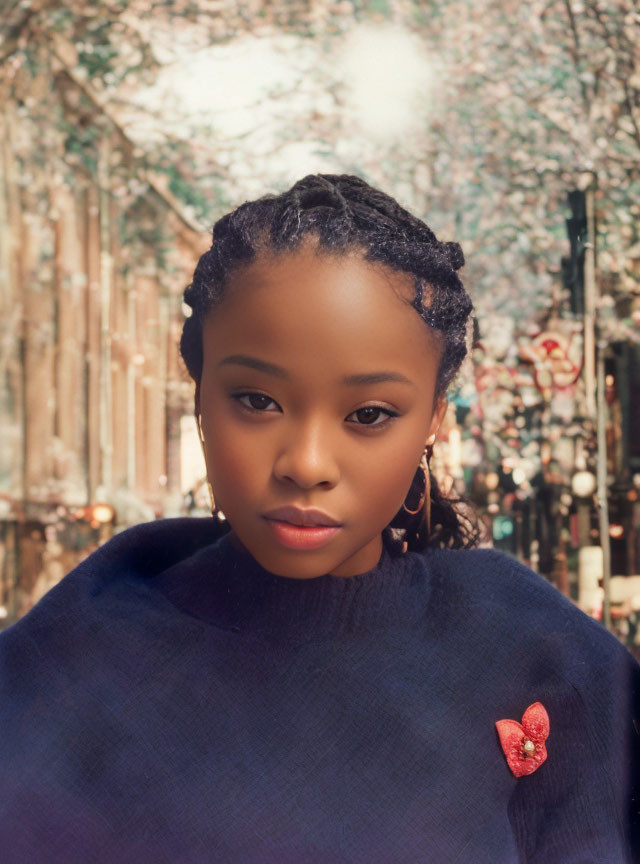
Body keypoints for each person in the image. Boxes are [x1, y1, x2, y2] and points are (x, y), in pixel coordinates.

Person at [0, 174, 638, 863]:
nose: (305, 464)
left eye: (368, 415)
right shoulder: (74, 656)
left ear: (431, 422)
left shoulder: (543, 657)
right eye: (256, 400)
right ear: (200, 400)